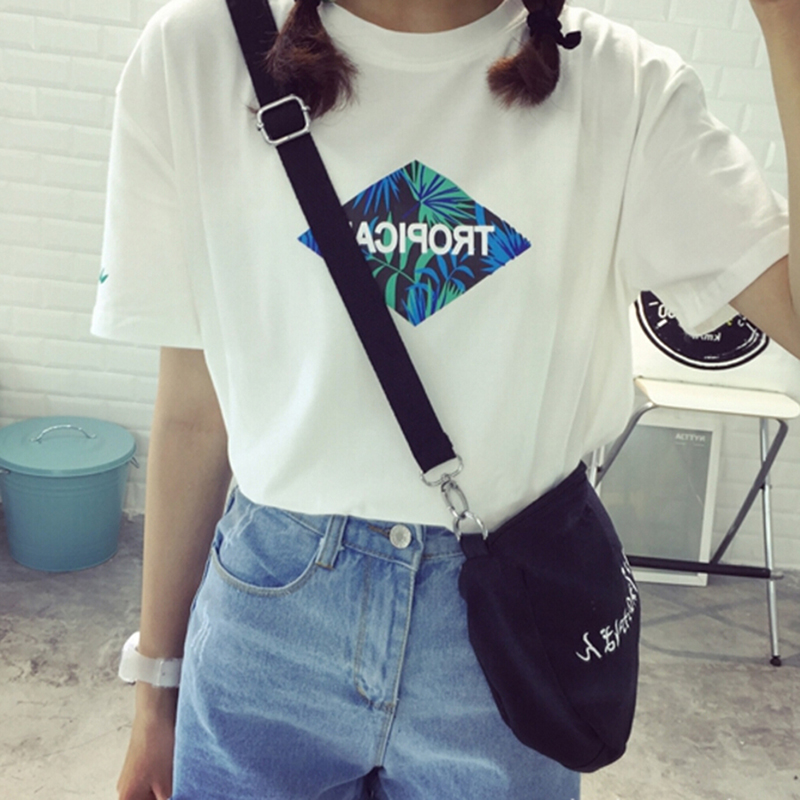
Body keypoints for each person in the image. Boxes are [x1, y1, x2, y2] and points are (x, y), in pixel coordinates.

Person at [91, 0, 800, 798]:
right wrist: (156, 688)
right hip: (269, 622)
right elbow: (195, 409)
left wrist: (788, 25)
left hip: (513, 629)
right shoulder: (200, 49)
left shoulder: (621, 85)